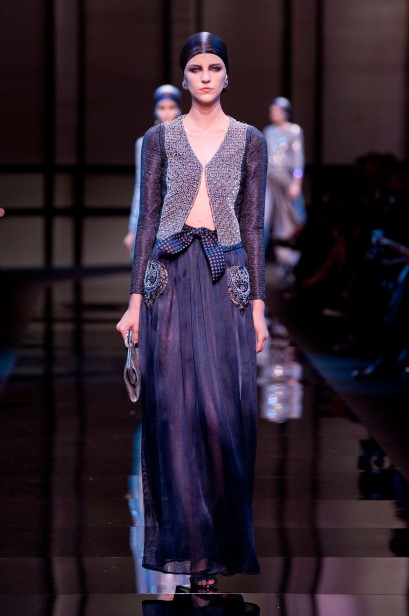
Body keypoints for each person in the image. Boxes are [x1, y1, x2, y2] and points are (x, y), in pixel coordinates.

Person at [117, 32, 268, 592]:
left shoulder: (251, 140)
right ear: (184, 77)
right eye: (197, 68)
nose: (205, 76)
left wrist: (259, 305)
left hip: (226, 277)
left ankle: (219, 542)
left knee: (222, 416)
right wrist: (134, 302)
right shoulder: (158, 139)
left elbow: (252, 223)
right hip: (169, 280)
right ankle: (192, 550)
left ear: (227, 76)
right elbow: (149, 219)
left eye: (214, 67)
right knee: (174, 416)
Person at [123, 84, 183, 254]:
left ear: (179, 110)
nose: (167, 113)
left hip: (181, 222)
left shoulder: (187, 143)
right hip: (151, 219)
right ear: (155, 111)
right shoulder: (143, 143)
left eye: (171, 107)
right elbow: (140, 187)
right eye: (162, 108)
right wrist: (132, 228)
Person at [263, 96, 306, 274]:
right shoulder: (268, 131)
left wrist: (296, 182)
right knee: (264, 216)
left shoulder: (294, 130)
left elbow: (298, 159)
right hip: (269, 180)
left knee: (288, 219)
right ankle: (258, 258)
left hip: (286, 180)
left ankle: (289, 261)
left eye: (277, 110)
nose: (273, 114)